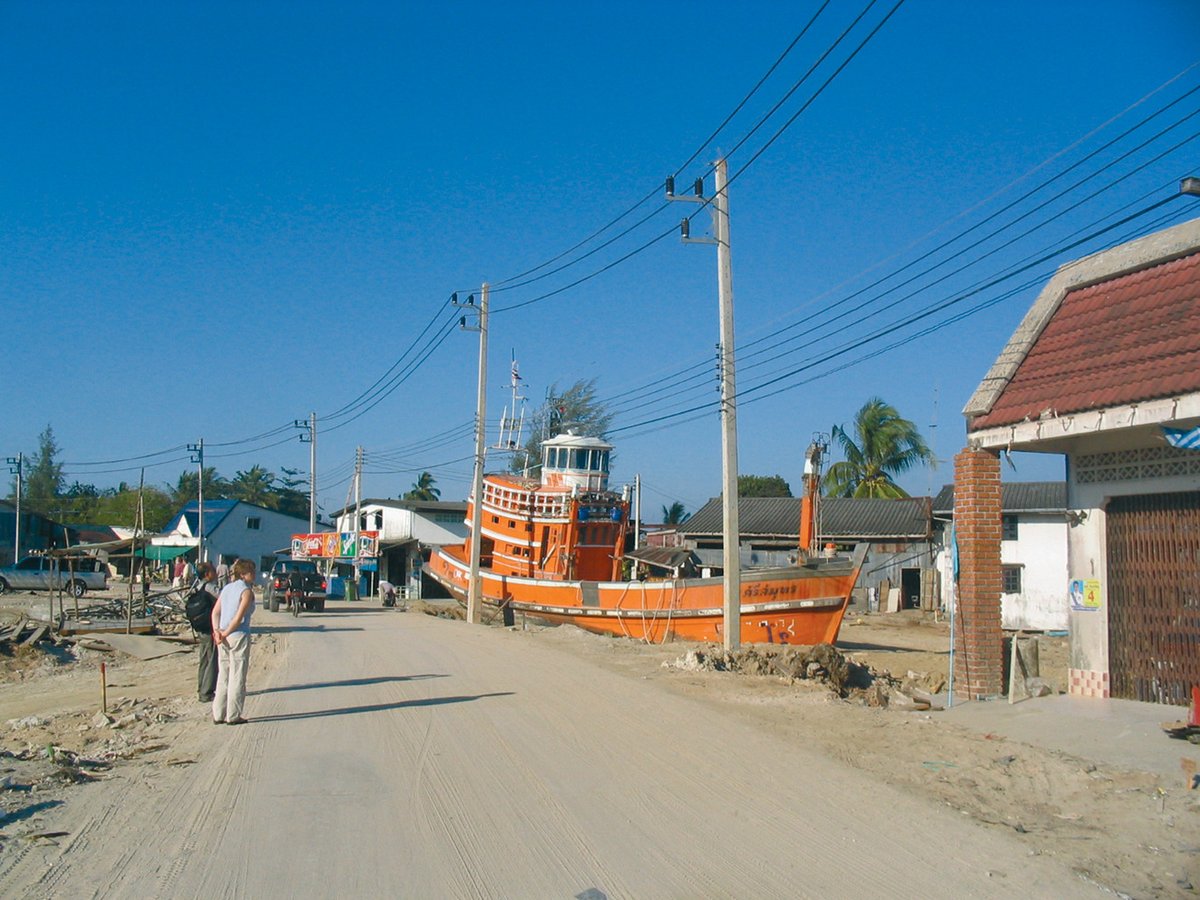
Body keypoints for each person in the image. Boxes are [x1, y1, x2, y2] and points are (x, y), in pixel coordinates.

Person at [211, 558, 256, 725]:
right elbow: (239, 617)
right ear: (244, 574)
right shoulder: (246, 591)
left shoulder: (227, 589)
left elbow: (215, 612)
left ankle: (218, 713)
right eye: (252, 572)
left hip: (222, 634)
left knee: (223, 674)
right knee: (237, 675)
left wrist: (218, 632)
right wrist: (226, 632)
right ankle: (233, 715)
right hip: (237, 634)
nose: (254, 575)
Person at [191, 562, 220, 702]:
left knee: (203, 659)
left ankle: (201, 687)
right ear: (207, 574)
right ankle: (206, 692)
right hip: (210, 628)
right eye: (213, 570)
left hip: (200, 627)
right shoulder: (211, 588)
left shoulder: (196, 587)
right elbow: (223, 600)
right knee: (211, 660)